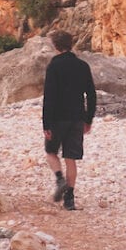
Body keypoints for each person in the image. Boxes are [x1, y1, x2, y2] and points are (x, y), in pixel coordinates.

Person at [42, 29, 96, 211]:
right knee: (70, 158)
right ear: (71, 44)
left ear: (55, 46)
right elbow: (91, 94)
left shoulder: (54, 66)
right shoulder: (82, 66)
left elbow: (49, 97)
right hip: (77, 118)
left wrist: (46, 124)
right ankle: (70, 199)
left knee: (51, 152)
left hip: (57, 118)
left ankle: (59, 179)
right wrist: (88, 119)